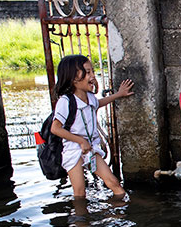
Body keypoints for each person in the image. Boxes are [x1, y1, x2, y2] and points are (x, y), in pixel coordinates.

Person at [50, 54, 134, 198]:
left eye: (92, 72)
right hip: (74, 150)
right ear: (74, 78)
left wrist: (119, 94)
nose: (93, 76)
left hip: (91, 148)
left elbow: (98, 104)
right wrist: (81, 141)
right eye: (88, 72)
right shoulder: (66, 101)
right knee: (80, 192)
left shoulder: (90, 97)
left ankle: (120, 213)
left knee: (113, 182)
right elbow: (55, 128)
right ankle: (81, 220)